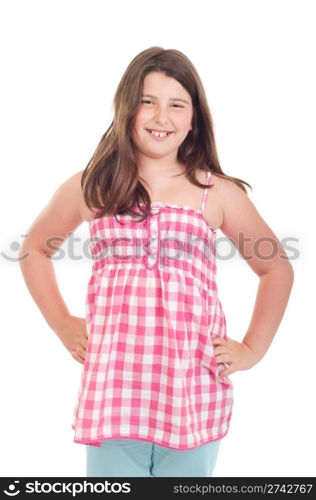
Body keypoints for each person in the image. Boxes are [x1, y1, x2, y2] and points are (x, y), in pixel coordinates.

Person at [19, 47, 294, 477]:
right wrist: (63, 323)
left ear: (193, 120)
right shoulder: (94, 186)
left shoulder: (215, 193)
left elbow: (276, 267)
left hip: (191, 394)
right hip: (114, 396)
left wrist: (252, 348)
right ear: (127, 108)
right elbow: (34, 249)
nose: (160, 116)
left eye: (176, 104)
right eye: (147, 101)